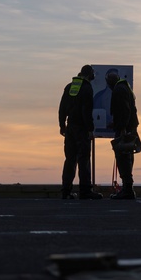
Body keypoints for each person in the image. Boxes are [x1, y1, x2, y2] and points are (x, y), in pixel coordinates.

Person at [58, 65, 102, 199]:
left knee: (70, 160)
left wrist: (62, 126)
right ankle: (85, 191)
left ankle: (66, 191)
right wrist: (90, 129)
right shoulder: (87, 88)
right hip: (81, 128)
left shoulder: (70, 86)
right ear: (89, 74)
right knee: (84, 159)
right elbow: (86, 111)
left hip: (70, 127)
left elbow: (62, 108)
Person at [106, 71, 141, 200]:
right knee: (127, 157)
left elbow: (124, 111)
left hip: (124, 129)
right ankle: (128, 188)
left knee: (123, 158)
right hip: (130, 127)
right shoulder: (125, 87)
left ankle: (127, 189)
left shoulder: (118, 90)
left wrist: (121, 128)